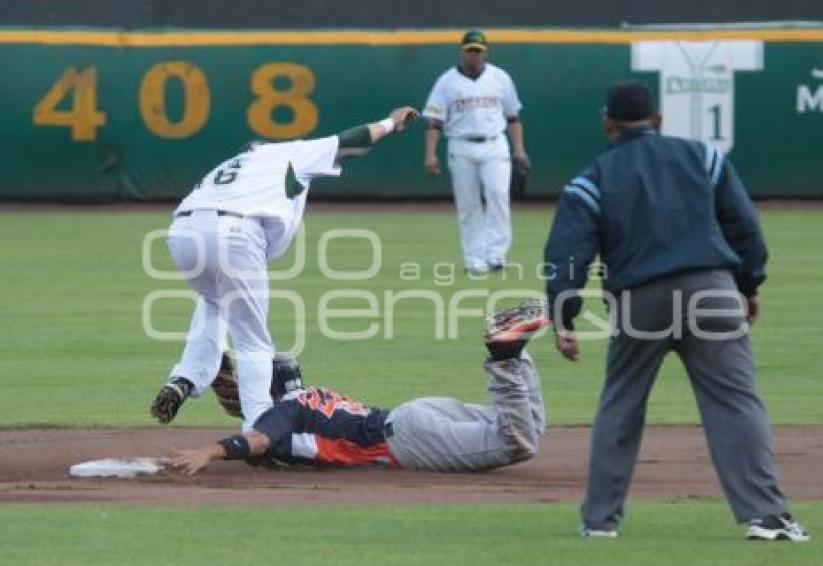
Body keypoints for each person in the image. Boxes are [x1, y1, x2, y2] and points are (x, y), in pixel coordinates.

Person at [543, 81, 810, 542]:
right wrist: (748, 285)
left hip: (639, 300)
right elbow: (745, 228)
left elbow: (568, 253)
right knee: (735, 402)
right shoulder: (703, 157)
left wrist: (563, 316)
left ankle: (600, 522)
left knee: (621, 404)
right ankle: (768, 517)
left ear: (608, 124)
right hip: (713, 290)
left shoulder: (593, 178)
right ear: (658, 119)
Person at [150, 106, 419, 431]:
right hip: (234, 231)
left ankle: (185, 377)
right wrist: (392, 122)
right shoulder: (286, 152)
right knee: (253, 342)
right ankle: (258, 428)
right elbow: (352, 140)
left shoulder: (230, 167)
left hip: (182, 234)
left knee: (214, 302)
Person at [168, 301, 547, 475]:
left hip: (409, 440)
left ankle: (505, 353)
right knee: (524, 425)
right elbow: (261, 421)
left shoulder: (283, 414)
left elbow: (262, 440)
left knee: (515, 442)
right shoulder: (304, 400)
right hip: (413, 416)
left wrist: (210, 451)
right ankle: (513, 354)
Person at [422, 30, 529, 274]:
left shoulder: (500, 78)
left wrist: (519, 150)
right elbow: (434, 123)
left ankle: (496, 255)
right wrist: (430, 154)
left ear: (485, 52)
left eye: (478, 51)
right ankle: (474, 258)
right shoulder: (447, 81)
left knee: (498, 196)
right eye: (470, 50)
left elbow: (513, 117)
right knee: (468, 203)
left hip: (494, 143)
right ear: (462, 51)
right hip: (461, 145)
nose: (474, 55)